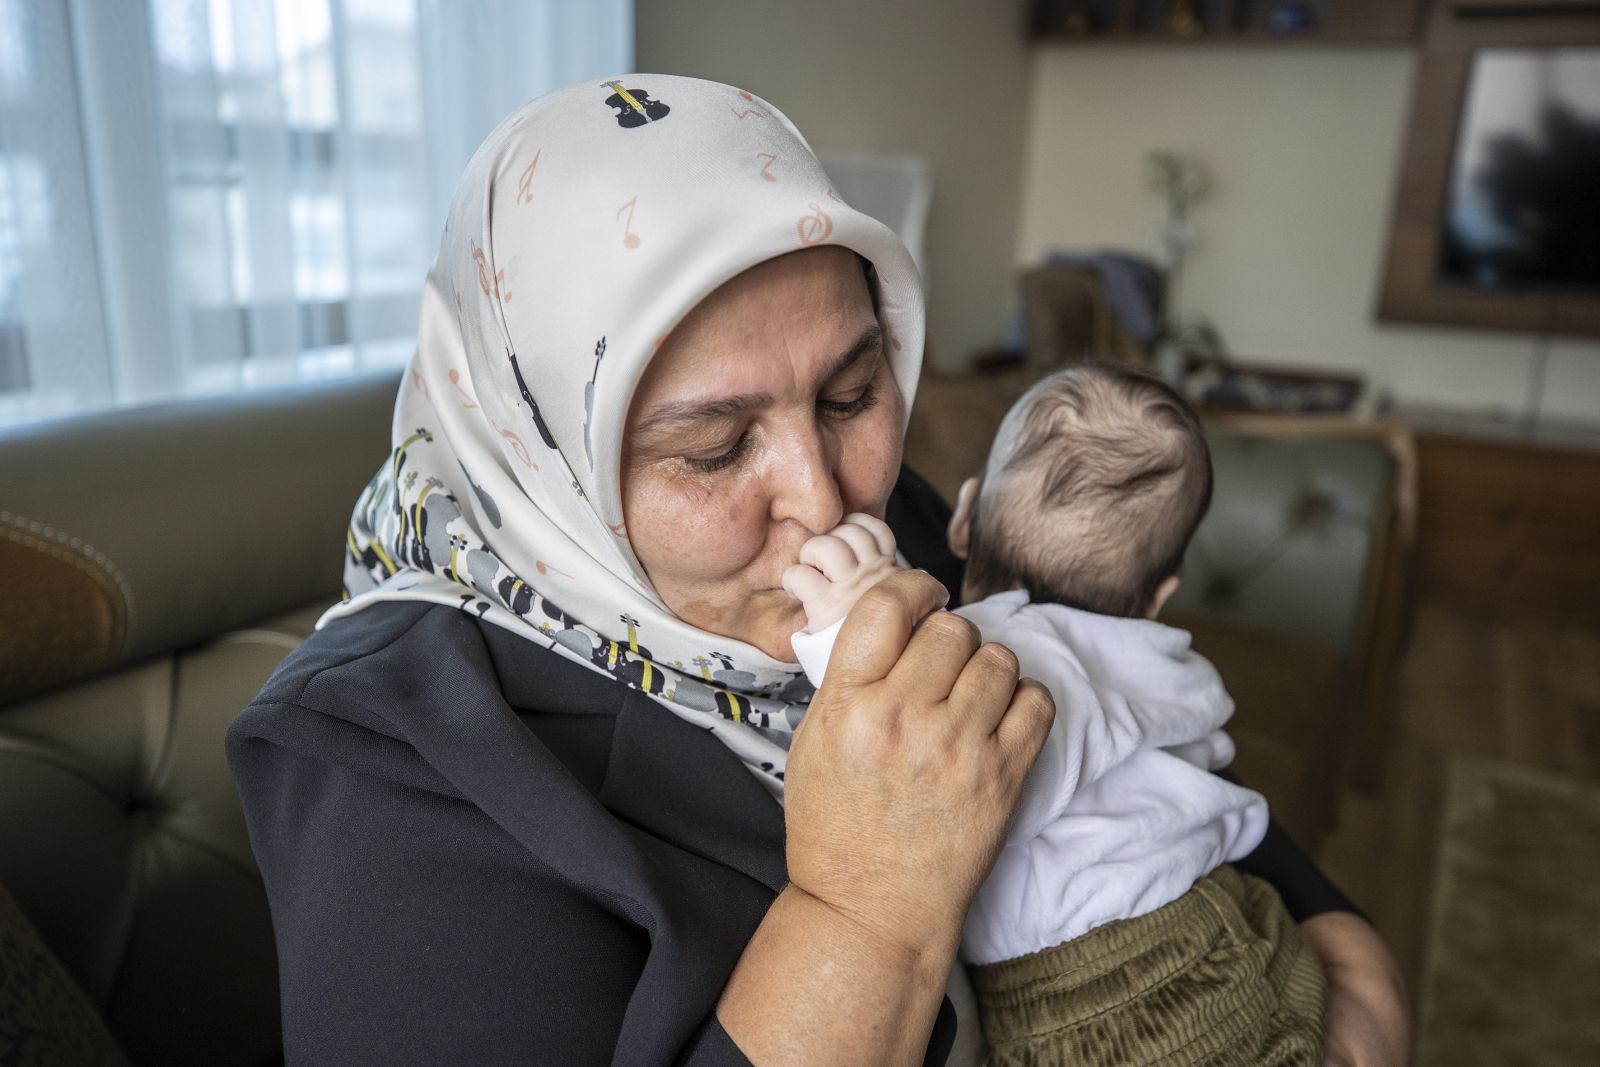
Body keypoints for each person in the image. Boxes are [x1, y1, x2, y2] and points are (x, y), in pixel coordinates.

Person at [226, 74, 1409, 1066]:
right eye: (712, 446)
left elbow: (1102, 709)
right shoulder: (387, 758)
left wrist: (1339, 939)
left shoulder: (882, 514)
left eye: (852, 391)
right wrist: (868, 908)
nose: (829, 493)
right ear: (545, 455)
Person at [784, 363, 1325, 1065]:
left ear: (964, 518)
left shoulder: (990, 658)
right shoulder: (1164, 659)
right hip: (1233, 915)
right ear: (1160, 593)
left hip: (1103, 993)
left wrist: (849, 622)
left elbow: (922, 758)